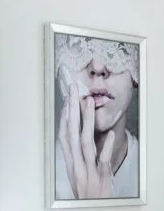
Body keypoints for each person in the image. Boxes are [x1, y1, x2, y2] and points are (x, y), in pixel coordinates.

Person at [54, 35, 140, 199]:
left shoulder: (159, 172)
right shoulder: (31, 174)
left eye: (117, 49)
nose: (98, 68)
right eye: (78, 45)